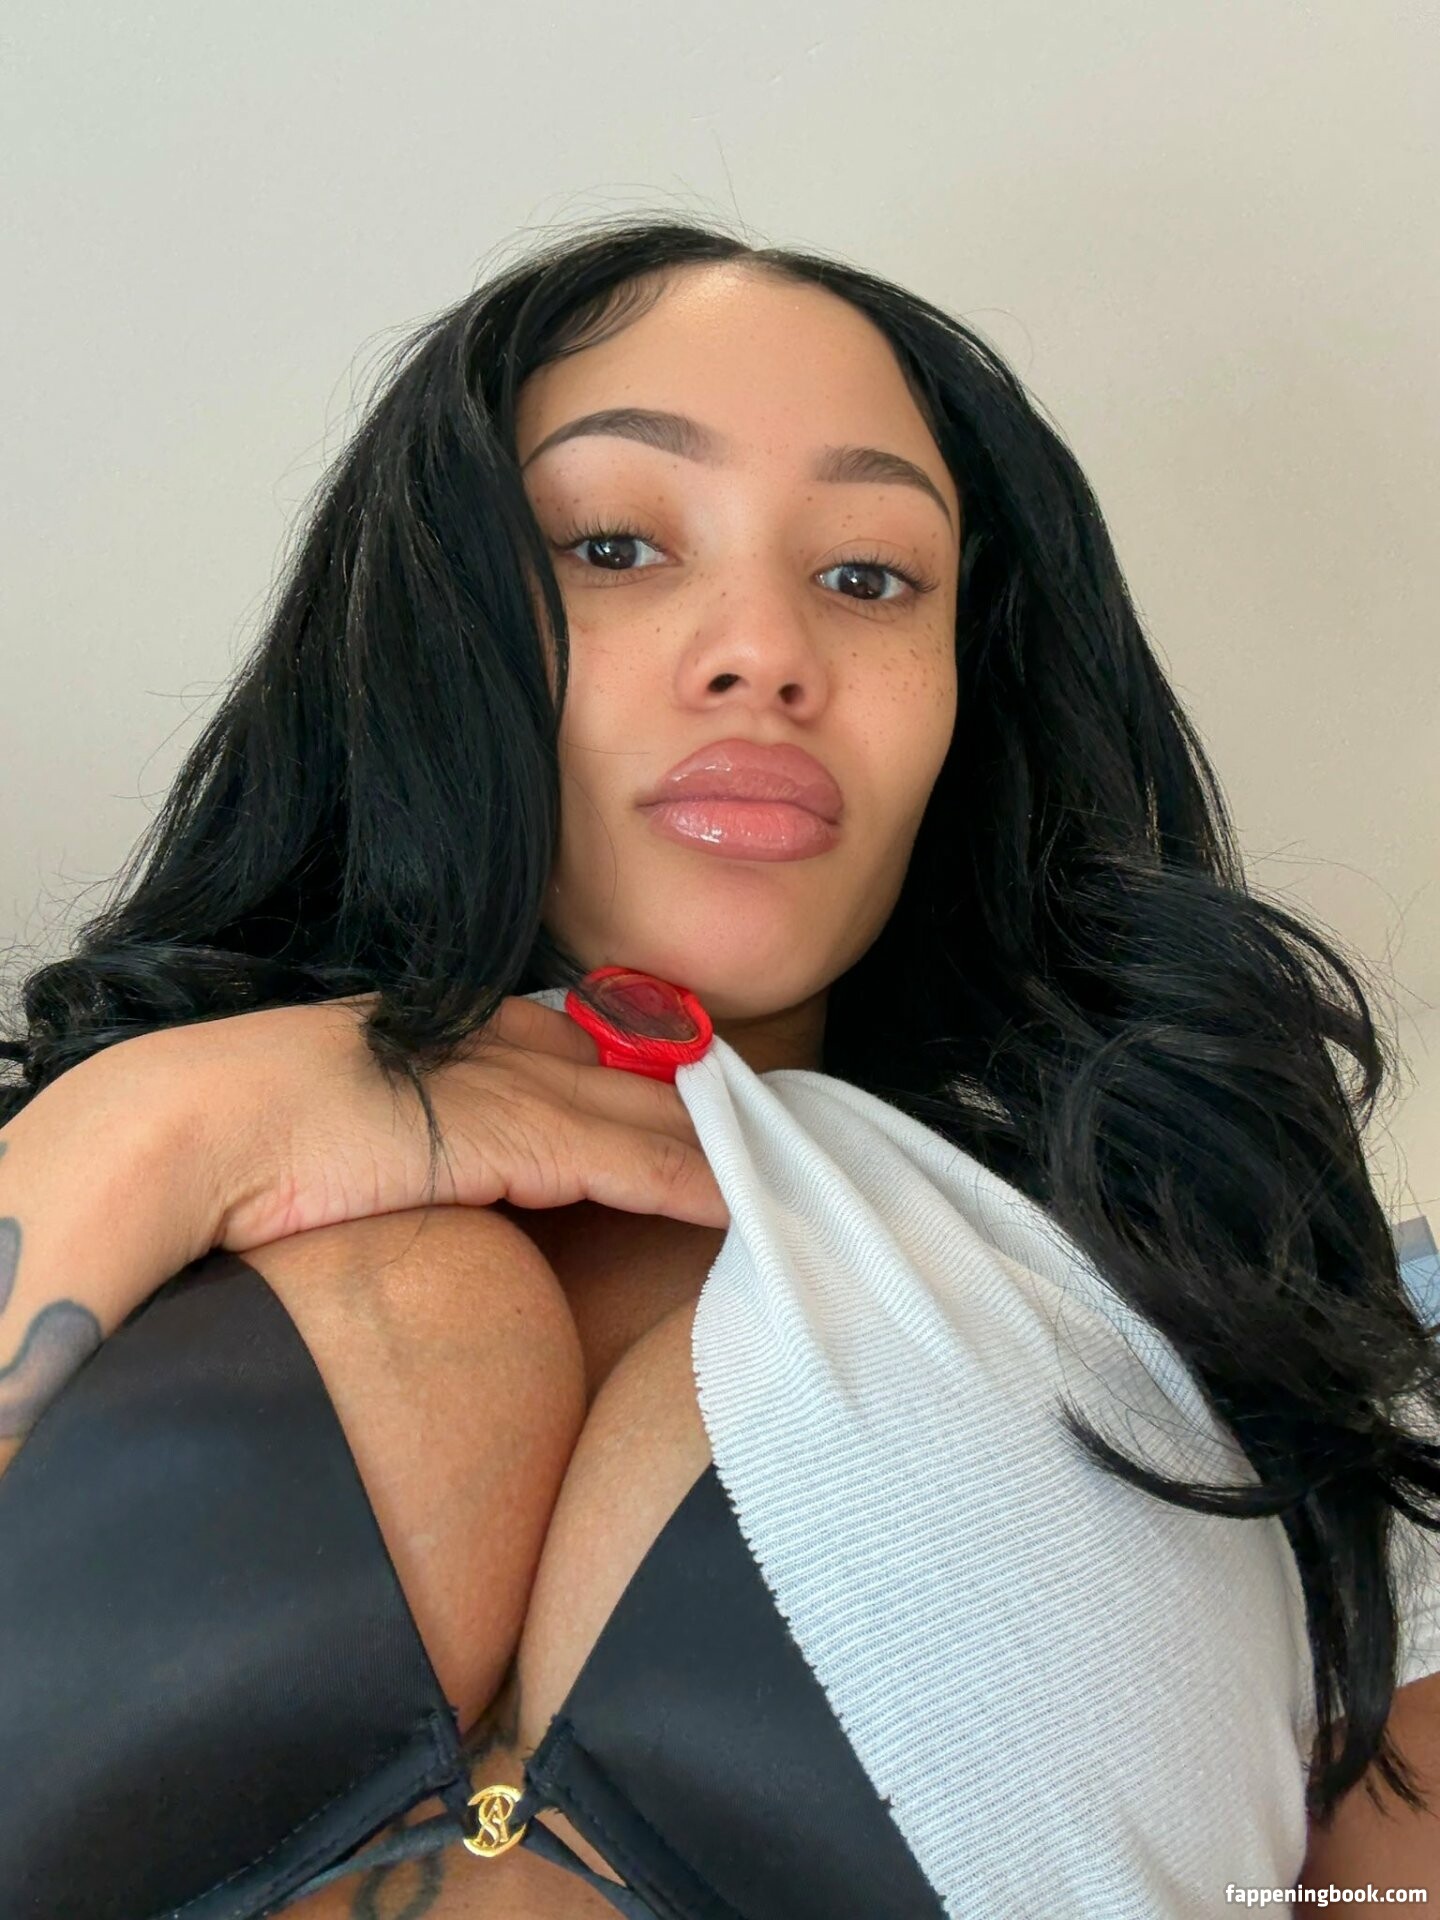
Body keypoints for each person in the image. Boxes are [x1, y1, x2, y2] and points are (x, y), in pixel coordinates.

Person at [2, 211, 1439, 1916]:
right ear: (425, 637)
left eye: (868, 576)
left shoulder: (1260, 1318)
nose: (766, 651)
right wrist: (163, 1130)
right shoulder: (116, 1138)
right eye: (615, 545)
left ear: (968, 692)